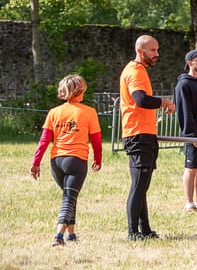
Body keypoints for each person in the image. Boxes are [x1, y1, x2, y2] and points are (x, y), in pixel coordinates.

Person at [30, 75, 102, 246]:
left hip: (56, 162)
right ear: (80, 90)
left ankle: (71, 234)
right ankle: (58, 235)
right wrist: (98, 159)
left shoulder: (54, 113)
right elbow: (97, 140)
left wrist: (36, 162)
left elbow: (44, 140)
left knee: (70, 195)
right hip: (76, 161)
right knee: (69, 197)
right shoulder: (89, 112)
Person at [119, 35, 175, 241]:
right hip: (138, 134)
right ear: (141, 51)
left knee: (142, 184)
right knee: (139, 184)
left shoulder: (137, 70)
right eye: (152, 50)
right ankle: (133, 232)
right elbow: (140, 100)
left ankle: (146, 230)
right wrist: (163, 102)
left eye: (157, 49)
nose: (157, 54)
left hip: (143, 133)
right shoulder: (135, 71)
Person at [174, 49, 197, 213]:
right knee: (191, 167)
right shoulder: (184, 84)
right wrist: (191, 136)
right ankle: (189, 203)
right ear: (190, 63)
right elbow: (184, 111)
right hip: (193, 134)